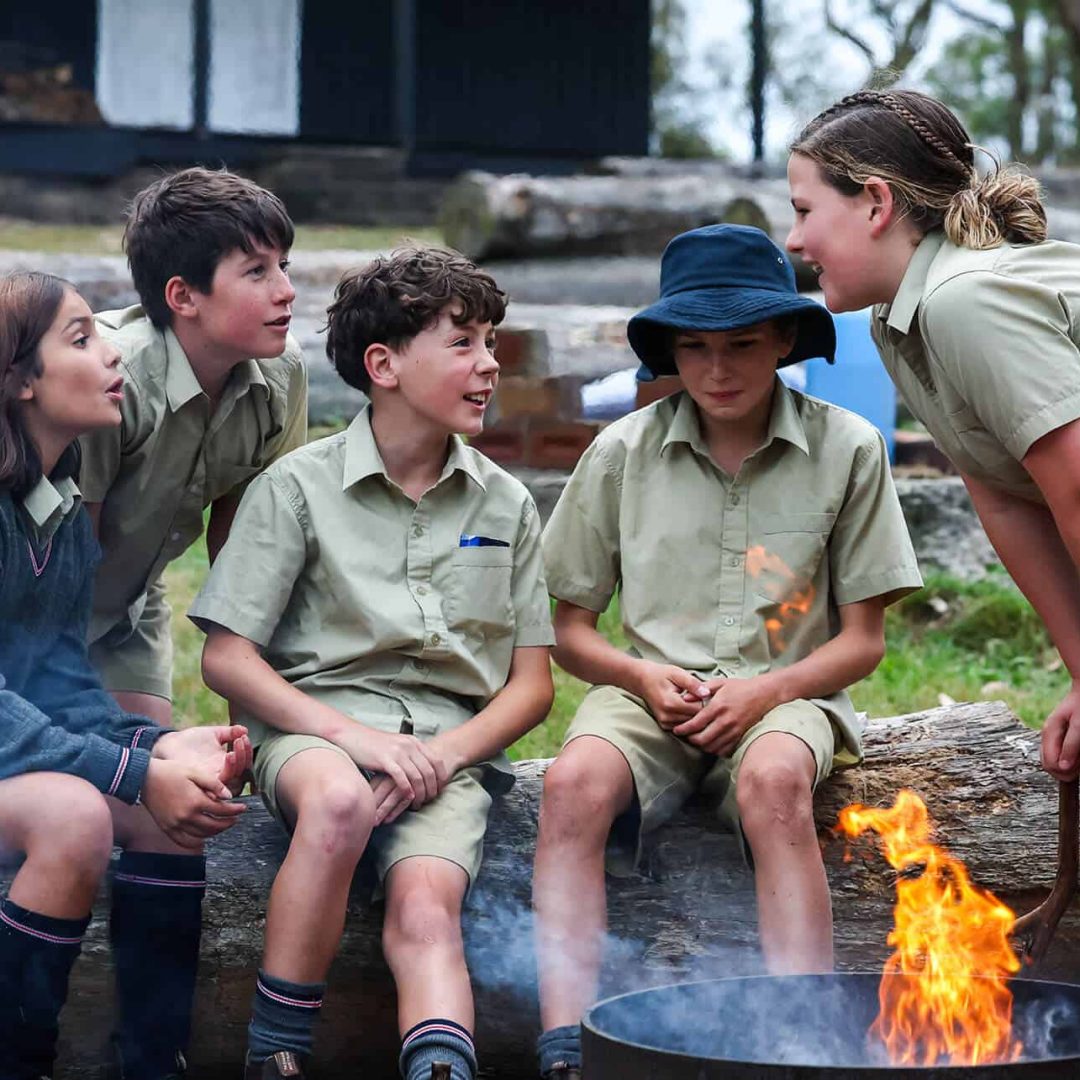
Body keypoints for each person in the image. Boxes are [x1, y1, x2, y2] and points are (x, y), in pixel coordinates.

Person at [532, 224, 922, 1080]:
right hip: (646, 694)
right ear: (670, 349)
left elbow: (863, 643)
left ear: (785, 339)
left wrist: (766, 693)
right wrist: (637, 674)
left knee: (774, 780)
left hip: (792, 695)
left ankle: (802, 1032)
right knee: (569, 786)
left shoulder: (849, 447)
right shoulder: (619, 454)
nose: (718, 369)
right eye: (696, 347)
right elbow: (571, 630)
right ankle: (565, 1041)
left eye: (743, 344)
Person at [189, 246, 555, 1080]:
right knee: (340, 802)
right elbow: (226, 658)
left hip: (448, 754)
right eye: (462, 343)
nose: (489, 365)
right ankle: (274, 1053)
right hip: (313, 731)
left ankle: (440, 1068)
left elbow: (533, 685)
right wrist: (357, 740)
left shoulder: (507, 502)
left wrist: (437, 759)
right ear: (384, 365)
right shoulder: (296, 486)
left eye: (491, 343)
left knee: (428, 906)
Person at [786, 88, 1080, 784]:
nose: (794, 240)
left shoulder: (966, 301)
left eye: (803, 211)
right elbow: (1006, 497)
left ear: (876, 204)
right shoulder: (900, 320)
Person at [0, 271, 252, 1080]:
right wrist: (132, 771)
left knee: (160, 816)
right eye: (80, 339)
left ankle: (152, 1061)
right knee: (76, 818)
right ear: (19, 379)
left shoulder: (59, 513)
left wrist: (160, 747)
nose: (111, 354)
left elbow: (58, 685)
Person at [79, 167, 309, 726]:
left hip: (128, 607)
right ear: (183, 296)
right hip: (33, 615)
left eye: (283, 265)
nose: (286, 290)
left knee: (163, 786)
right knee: (105, 787)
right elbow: (62, 566)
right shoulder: (112, 380)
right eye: (256, 271)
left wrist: (251, 731)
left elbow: (251, 560)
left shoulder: (281, 374)